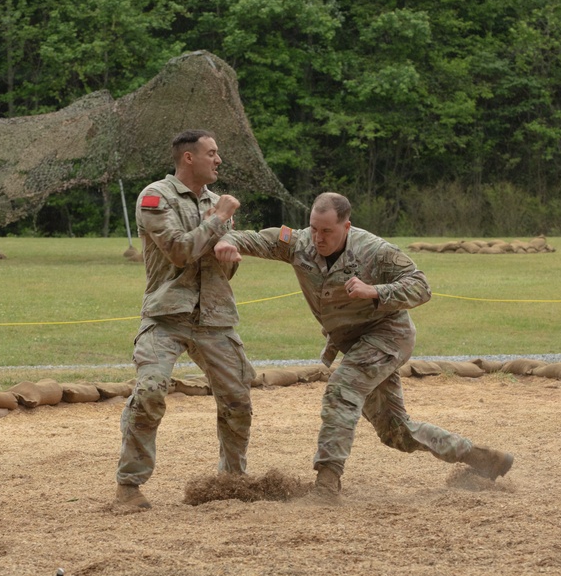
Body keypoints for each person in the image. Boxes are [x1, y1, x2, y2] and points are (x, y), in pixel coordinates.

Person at [214, 192, 513, 497]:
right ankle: (481, 457)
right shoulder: (298, 242)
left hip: (389, 337)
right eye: (314, 228)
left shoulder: (375, 250)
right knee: (396, 432)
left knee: (341, 390)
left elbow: (421, 287)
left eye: (327, 231)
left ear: (347, 226)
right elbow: (254, 239)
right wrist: (228, 240)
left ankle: (327, 486)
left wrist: (376, 290)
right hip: (356, 345)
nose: (318, 238)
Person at [114, 130, 256, 514]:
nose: (219, 160)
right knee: (150, 392)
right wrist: (220, 220)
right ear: (189, 158)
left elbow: (218, 270)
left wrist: (229, 260)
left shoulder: (213, 201)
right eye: (212, 153)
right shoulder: (155, 196)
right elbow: (179, 252)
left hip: (214, 315)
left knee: (238, 400)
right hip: (167, 315)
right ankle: (129, 488)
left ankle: (231, 482)